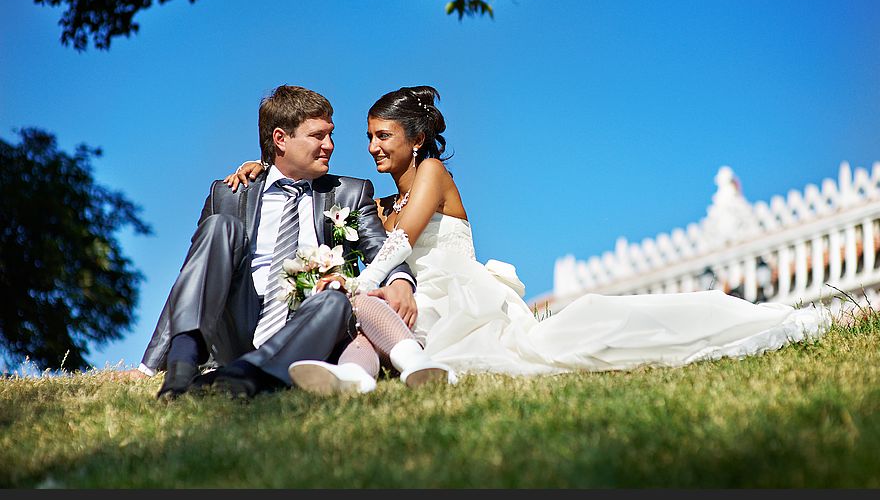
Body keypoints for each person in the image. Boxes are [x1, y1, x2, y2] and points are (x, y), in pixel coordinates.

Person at [226, 86, 829, 377]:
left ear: (415, 137)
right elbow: (361, 223)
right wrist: (262, 167)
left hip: (453, 293)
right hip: (408, 298)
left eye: (383, 136)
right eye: (369, 137)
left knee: (556, 345)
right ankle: (351, 379)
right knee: (368, 314)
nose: (372, 147)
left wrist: (359, 284)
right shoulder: (379, 197)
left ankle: (746, 320)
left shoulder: (433, 174)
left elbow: (401, 243)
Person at [139, 85, 450, 400]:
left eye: (330, 135)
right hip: (237, 323)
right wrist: (148, 366)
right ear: (280, 139)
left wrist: (399, 279)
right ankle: (181, 371)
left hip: (307, 328)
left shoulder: (348, 194)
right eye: (318, 136)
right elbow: (194, 276)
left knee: (336, 298)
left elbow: (379, 247)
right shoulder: (230, 193)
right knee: (219, 227)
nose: (329, 145)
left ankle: (249, 376)